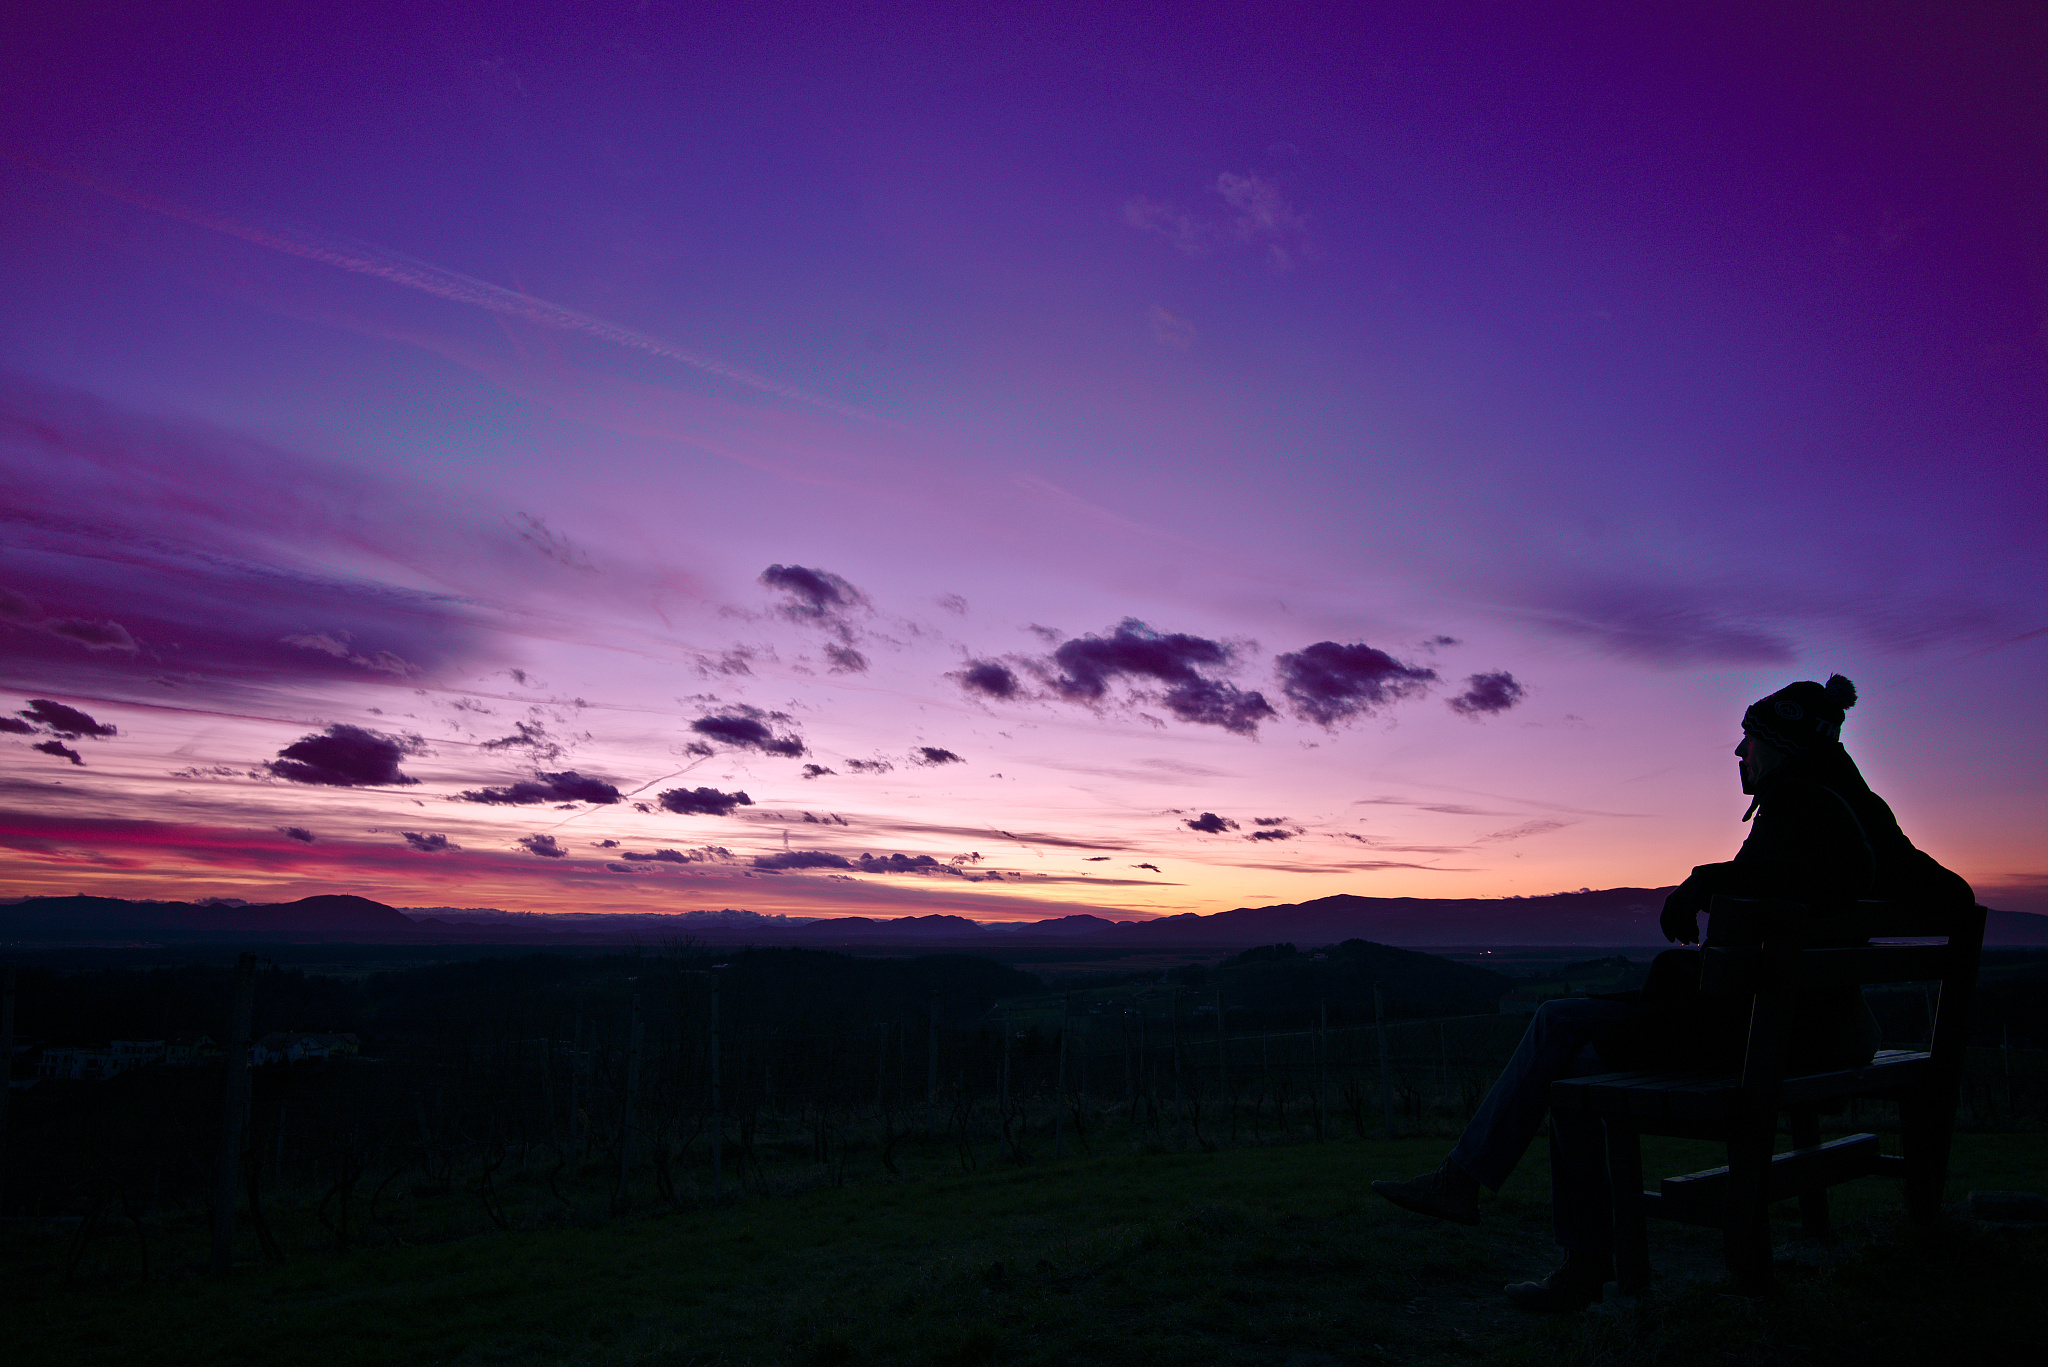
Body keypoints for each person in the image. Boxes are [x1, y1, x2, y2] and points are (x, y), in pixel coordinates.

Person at [1369, 675, 1972, 1311]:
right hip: (1829, 1033)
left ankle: (1554, 1246)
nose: (1740, 752)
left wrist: (1708, 880)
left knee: (1560, 1038)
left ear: (1782, 746)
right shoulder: (1861, 813)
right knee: (1564, 1038)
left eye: (1749, 740)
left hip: (1770, 1041)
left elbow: (1797, 888)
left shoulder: (1798, 806)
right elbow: (1953, 898)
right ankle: (1492, 1203)